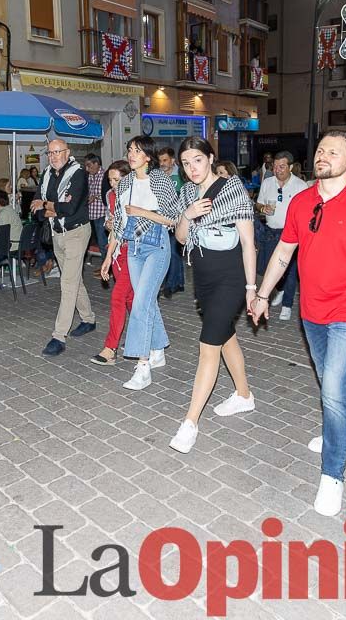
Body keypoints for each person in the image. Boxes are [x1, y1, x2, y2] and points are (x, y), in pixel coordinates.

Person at [250, 131, 346, 516]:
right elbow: (283, 251)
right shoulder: (302, 201)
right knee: (332, 381)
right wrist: (262, 294)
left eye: (333, 151)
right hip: (311, 312)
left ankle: (333, 475)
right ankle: (343, 429)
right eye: (319, 150)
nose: (323, 155)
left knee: (332, 389)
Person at [168, 137, 258, 453]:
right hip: (203, 278)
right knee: (225, 336)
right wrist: (188, 215)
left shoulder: (233, 190)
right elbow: (180, 238)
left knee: (208, 346)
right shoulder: (186, 193)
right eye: (186, 163)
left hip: (231, 278)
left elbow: (248, 243)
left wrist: (251, 289)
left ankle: (190, 423)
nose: (192, 168)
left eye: (197, 160)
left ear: (210, 158)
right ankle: (244, 395)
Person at [103, 136, 178, 388]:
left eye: (137, 151)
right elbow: (120, 222)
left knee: (140, 304)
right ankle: (158, 350)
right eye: (129, 150)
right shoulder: (125, 184)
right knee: (146, 302)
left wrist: (143, 212)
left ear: (148, 156)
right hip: (132, 249)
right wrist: (109, 254)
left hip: (156, 246)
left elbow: (174, 219)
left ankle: (143, 366)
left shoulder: (160, 180)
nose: (131, 154)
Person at [32, 138, 97, 357]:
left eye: (57, 152)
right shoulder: (47, 174)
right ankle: (88, 319)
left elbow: (70, 208)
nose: (53, 156)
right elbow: (35, 207)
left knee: (67, 282)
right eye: (50, 153)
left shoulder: (78, 173)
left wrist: (47, 205)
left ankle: (59, 336)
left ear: (67, 152)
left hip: (77, 233)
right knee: (73, 279)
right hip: (56, 234)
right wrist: (49, 208)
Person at [254, 152, 309, 321]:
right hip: (271, 232)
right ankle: (281, 288)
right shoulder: (268, 182)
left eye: (282, 166)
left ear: (291, 167)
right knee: (272, 267)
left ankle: (287, 304)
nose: (277, 170)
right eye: (275, 166)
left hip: (291, 234)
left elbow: (307, 212)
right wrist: (262, 209)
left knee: (291, 271)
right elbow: (259, 203)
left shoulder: (300, 185)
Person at [93, 160, 134, 366]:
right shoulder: (110, 196)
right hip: (116, 250)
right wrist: (109, 225)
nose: (113, 183)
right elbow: (111, 226)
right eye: (110, 179)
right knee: (130, 300)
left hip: (133, 251)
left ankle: (111, 348)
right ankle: (146, 340)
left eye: (117, 179)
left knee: (118, 297)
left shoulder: (136, 195)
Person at [158, 147, 186, 299]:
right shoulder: (159, 176)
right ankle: (179, 282)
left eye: (165, 160)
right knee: (174, 253)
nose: (162, 163)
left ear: (172, 160)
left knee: (173, 253)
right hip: (162, 220)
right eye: (160, 160)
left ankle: (171, 285)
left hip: (177, 221)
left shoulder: (180, 175)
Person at [85, 153, 108, 255]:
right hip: (91, 213)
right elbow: (88, 191)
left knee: (102, 241)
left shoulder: (105, 175)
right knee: (96, 241)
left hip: (101, 213)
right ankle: (104, 265)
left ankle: (107, 267)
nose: (87, 169)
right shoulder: (89, 176)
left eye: (89, 166)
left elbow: (108, 194)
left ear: (96, 164)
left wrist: (95, 197)